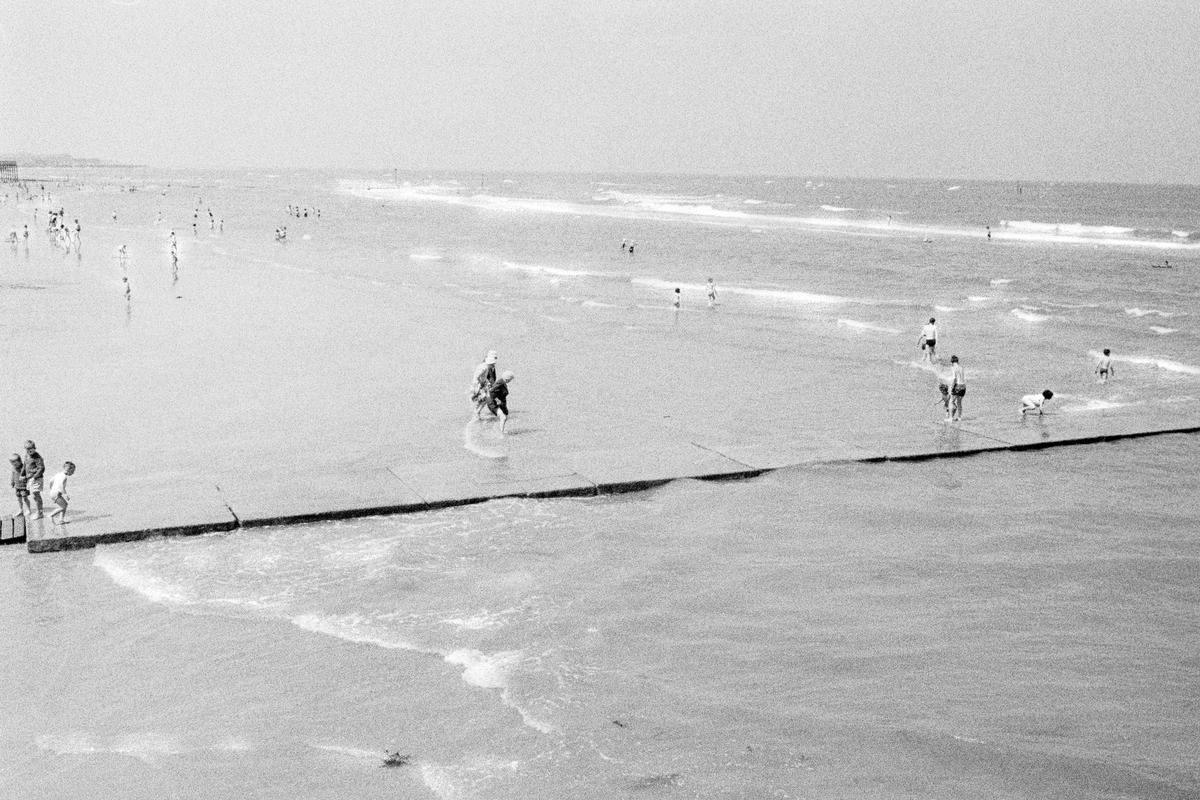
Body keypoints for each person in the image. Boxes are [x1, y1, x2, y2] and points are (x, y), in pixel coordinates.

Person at [470, 350, 498, 418]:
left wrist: (487, 383)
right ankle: (477, 412)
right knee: (484, 398)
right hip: (477, 385)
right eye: (493, 364)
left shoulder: (487, 366)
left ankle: (477, 412)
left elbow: (485, 377)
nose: (494, 365)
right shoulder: (483, 367)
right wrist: (479, 386)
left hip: (482, 384)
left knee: (485, 398)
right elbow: (476, 377)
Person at [23, 440, 44, 518]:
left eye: (31, 448)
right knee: (34, 495)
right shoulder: (26, 456)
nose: (29, 450)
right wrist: (22, 475)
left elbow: (41, 468)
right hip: (30, 478)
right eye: (27, 449)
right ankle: (39, 510)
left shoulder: (37, 457)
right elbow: (24, 466)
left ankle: (40, 512)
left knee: (36, 494)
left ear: (35, 448)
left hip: (37, 478)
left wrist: (35, 476)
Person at [948, 356, 965, 421]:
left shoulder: (953, 368)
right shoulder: (961, 367)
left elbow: (954, 378)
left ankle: (950, 418)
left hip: (957, 386)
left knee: (951, 401)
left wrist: (951, 387)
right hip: (963, 386)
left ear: (952, 362)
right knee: (959, 403)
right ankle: (959, 417)